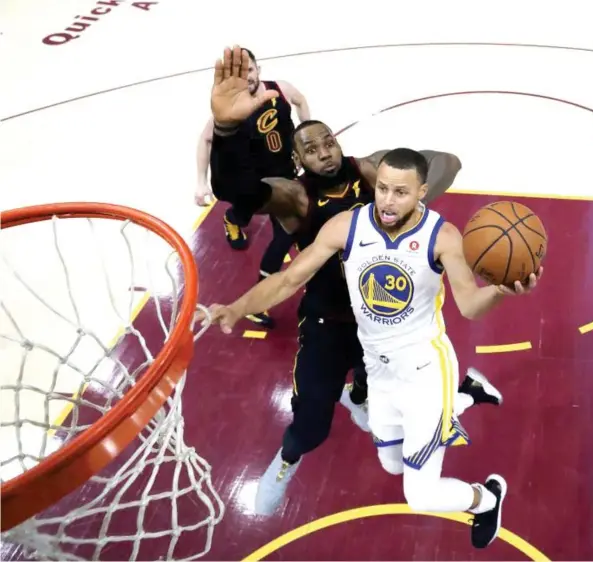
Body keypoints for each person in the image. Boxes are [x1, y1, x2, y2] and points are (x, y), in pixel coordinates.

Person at [203, 46, 502, 518]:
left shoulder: (369, 173)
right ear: (297, 160)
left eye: (328, 143)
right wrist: (223, 128)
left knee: (380, 402)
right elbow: (235, 193)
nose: (323, 152)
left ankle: (449, 393)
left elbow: (444, 163)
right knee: (312, 423)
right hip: (327, 321)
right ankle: (287, 459)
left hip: (385, 328)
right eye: (311, 149)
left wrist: (413, 201)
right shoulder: (297, 196)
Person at [200, 147, 543, 549]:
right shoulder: (347, 226)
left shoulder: (442, 237)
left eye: (400, 192)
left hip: (425, 370)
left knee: (421, 496)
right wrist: (237, 308)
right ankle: (465, 395)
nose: (387, 200)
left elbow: (469, 306)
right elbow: (289, 279)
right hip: (379, 371)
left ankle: (487, 498)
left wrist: (500, 292)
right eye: (381, 188)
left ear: (422, 192)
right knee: (391, 463)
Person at [197, 47, 311, 328]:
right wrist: (200, 182)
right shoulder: (232, 110)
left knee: (286, 232)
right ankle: (258, 299)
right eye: (239, 71)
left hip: (286, 174)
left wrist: (307, 133)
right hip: (258, 183)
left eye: (249, 69)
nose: (245, 75)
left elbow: (300, 99)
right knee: (283, 233)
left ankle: (234, 220)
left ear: (259, 69)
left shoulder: (280, 89)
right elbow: (205, 141)